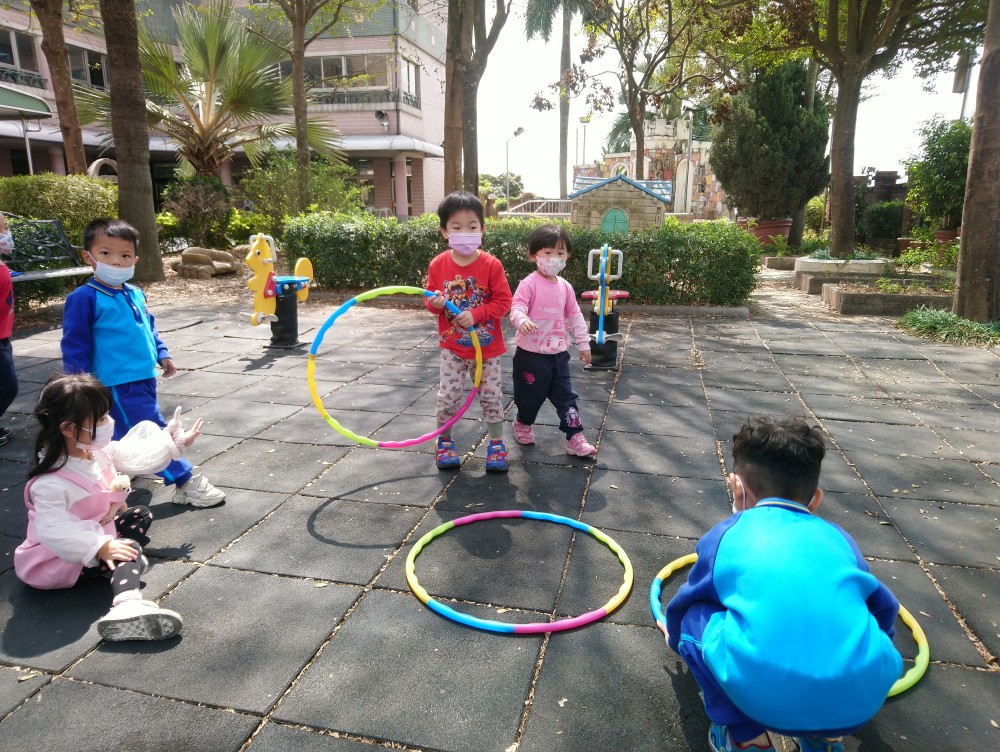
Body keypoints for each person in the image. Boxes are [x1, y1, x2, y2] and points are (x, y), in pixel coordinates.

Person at [665, 416, 903, 752]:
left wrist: (675, 637)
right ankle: (823, 738)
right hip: (860, 703)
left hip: (764, 701)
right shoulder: (840, 539)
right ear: (815, 499)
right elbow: (883, 608)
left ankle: (744, 737)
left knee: (695, 615)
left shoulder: (726, 536)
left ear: (737, 488)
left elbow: (687, 600)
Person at [14, 373, 203, 641]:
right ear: (68, 429)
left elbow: (132, 454)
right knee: (130, 547)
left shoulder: (94, 451)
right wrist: (99, 546)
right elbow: (52, 530)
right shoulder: (51, 483)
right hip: (56, 558)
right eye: (101, 418)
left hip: (92, 532)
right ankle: (126, 606)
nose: (109, 423)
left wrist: (172, 442)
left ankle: (111, 566)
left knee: (139, 514)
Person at [61, 218, 224, 506]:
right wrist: (77, 385)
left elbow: (148, 329)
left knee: (121, 428)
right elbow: (75, 344)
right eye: (106, 253)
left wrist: (162, 353)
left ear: (135, 260)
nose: (117, 261)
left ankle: (118, 469)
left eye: (125, 255)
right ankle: (186, 483)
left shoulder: (134, 293)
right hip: (116, 382)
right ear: (88, 257)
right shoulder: (85, 298)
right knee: (155, 432)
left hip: (142, 376)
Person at [426, 191, 512, 471]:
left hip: (487, 349)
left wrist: (475, 314)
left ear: (482, 229)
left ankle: (497, 444)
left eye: (472, 227)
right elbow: (430, 301)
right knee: (448, 396)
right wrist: (436, 304)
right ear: (444, 231)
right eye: (457, 227)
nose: (465, 232)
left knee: (491, 396)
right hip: (453, 347)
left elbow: (504, 302)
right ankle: (444, 441)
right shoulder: (438, 264)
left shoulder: (491, 264)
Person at [509, 224, 596, 458]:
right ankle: (523, 421)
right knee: (529, 398)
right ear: (534, 255)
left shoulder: (565, 287)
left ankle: (575, 436)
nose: (554, 258)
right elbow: (517, 307)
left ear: (567, 255)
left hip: (558, 355)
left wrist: (584, 343)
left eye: (560, 252)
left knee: (566, 397)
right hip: (530, 355)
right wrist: (522, 320)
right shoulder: (529, 283)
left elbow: (575, 315)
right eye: (547, 252)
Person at [0, 212, 16, 447]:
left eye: (5, 227)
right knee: (8, 386)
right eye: (2, 229)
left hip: (4, 335)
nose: (6, 234)